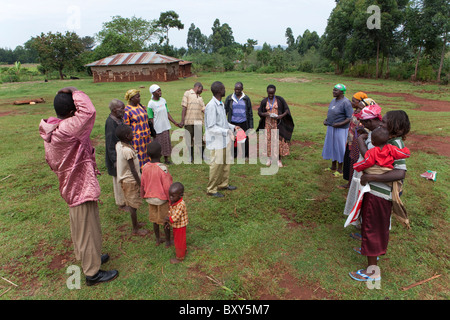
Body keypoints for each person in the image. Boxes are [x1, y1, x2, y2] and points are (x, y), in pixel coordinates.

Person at [39, 86, 118, 286]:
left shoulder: (53, 128)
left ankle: (88, 257)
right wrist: (75, 90)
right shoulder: (67, 130)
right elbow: (89, 112)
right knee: (87, 228)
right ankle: (92, 273)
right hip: (79, 186)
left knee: (82, 227)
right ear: (72, 111)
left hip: (71, 184)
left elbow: (51, 161)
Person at [348, 110, 411, 282]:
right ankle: (370, 253)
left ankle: (372, 271)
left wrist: (371, 176)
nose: (381, 124)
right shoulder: (387, 141)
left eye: (384, 122)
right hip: (375, 192)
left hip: (379, 195)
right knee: (372, 225)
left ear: (395, 127)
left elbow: (400, 173)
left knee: (373, 228)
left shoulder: (395, 145)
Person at [204, 81, 239, 198]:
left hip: (224, 140)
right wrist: (227, 132)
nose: (225, 90)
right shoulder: (211, 106)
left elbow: (223, 123)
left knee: (225, 163)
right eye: (224, 88)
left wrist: (233, 127)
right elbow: (211, 127)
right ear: (219, 91)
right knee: (216, 165)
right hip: (215, 141)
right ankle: (211, 189)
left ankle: (223, 184)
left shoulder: (220, 103)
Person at [115, 124, 148, 236]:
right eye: (131, 133)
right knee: (132, 206)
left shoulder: (119, 145)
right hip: (130, 181)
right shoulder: (127, 151)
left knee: (132, 203)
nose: (133, 134)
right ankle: (135, 229)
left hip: (126, 180)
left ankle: (136, 224)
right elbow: (133, 170)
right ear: (127, 136)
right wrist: (140, 183)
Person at [140, 141, 173, 247]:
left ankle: (158, 240)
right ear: (161, 153)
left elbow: (142, 183)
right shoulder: (163, 169)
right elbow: (167, 186)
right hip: (162, 199)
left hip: (150, 198)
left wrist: (142, 194)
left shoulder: (145, 167)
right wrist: (170, 199)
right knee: (165, 220)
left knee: (154, 220)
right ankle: (168, 241)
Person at [257, 84, 295, 168]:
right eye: (269, 93)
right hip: (268, 124)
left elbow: (286, 110)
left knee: (277, 141)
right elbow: (259, 112)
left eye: (272, 93)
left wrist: (281, 116)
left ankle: (278, 159)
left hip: (277, 124)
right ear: (267, 92)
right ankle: (269, 158)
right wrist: (264, 114)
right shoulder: (264, 101)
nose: (271, 95)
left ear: (275, 92)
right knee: (268, 141)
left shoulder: (280, 100)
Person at [322, 84, 353, 177]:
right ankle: (333, 166)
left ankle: (340, 169)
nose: (333, 92)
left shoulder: (346, 102)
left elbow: (349, 118)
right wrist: (326, 120)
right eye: (333, 90)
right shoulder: (333, 100)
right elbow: (331, 113)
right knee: (332, 146)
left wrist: (339, 124)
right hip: (331, 127)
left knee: (340, 148)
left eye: (336, 90)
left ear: (342, 92)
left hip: (341, 129)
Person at [147, 84, 182, 165]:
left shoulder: (163, 100)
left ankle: (166, 160)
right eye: (158, 91)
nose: (160, 92)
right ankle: (158, 161)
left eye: (160, 90)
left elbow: (167, 113)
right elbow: (151, 118)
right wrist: (152, 130)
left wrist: (175, 122)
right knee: (158, 144)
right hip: (157, 128)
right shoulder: (151, 104)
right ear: (153, 93)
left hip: (165, 126)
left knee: (166, 143)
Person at [105, 99, 126, 210]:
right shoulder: (110, 123)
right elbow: (110, 144)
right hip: (116, 157)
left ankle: (125, 199)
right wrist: (115, 160)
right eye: (121, 109)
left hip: (122, 154)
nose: (124, 110)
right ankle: (121, 203)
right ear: (114, 110)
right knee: (118, 180)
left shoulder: (119, 120)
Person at [224, 82, 254, 159]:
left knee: (245, 139)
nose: (237, 91)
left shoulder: (246, 99)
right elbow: (225, 111)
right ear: (234, 89)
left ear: (242, 89)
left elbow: (250, 112)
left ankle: (245, 155)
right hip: (233, 122)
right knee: (233, 139)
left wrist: (251, 126)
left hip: (244, 122)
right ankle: (234, 154)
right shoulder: (230, 98)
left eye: (239, 89)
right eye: (236, 89)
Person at [123, 89, 151, 170]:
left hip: (146, 136)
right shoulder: (127, 110)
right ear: (131, 98)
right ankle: (140, 172)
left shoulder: (141, 106)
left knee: (147, 154)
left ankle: (147, 169)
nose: (139, 98)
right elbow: (127, 127)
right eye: (137, 97)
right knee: (139, 156)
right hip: (137, 139)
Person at [179, 82, 206, 163]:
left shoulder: (200, 98)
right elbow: (184, 108)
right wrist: (182, 120)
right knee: (189, 140)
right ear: (198, 87)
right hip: (189, 121)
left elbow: (204, 109)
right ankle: (190, 157)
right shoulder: (187, 93)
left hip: (198, 121)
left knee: (199, 140)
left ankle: (202, 155)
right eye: (201, 89)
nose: (202, 91)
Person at [164, 182, 188, 264]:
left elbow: (176, 216)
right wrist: (168, 222)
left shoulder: (181, 204)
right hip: (176, 225)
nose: (170, 198)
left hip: (180, 226)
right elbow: (171, 212)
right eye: (169, 195)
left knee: (178, 241)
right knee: (180, 240)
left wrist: (168, 219)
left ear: (180, 195)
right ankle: (184, 251)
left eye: (173, 196)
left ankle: (180, 257)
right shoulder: (174, 202)